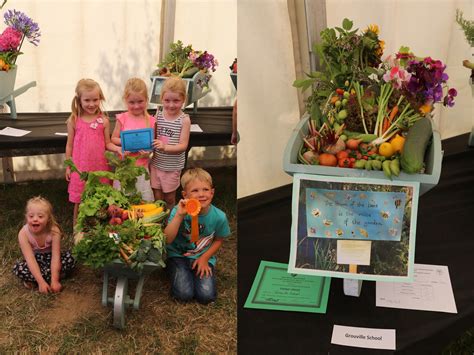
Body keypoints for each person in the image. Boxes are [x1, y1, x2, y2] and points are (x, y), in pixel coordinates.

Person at [164, 168, 230, 304]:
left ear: (212, 193)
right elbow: (167, 239)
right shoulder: (178, 211)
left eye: (205, 190)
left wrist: (205, 258)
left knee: (206, 296)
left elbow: (219, 240)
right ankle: (173, 269)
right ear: (185, 194)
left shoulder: (219, 217)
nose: (201, 194)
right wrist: (179, 216)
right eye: (195, 191)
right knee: (184, 295)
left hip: (202, 255)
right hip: (178, 255)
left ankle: (192, 271)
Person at [65, 78, 118, 226]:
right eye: (87, 100)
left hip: (100, 168)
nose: (91, 104)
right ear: (79, 100)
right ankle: (77, 228)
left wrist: (118, 148)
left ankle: (102, 227)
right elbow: (69, 146)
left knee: (102, 199)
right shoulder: (74, 120)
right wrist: (69, 166)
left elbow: (107, 143)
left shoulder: (104, 121)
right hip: (80, 169)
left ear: (100, 98)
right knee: (80, 201)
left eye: (95, 99)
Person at [12, 197, 76, 293]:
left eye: (40, 216)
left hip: (52, 259)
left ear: (48, 219)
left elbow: (56, 256)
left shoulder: (54, 231)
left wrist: (55, 281)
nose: (35, 219)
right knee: (19, 269)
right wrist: (41, 282)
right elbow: (30, 259)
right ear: (26, 217)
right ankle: (45, 279)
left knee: (72, 257)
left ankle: (49, 277)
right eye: (31, 216)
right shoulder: (23, 234)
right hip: (35, 261)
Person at [111, 78, 155, 201]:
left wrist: (148, 153)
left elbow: (152, 144)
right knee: (123, 198)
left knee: (142, 198)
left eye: (140, 101)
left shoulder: (150, 120)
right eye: (132, 102)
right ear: (125, 101)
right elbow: (113, 138)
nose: (136, 106)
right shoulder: (122, 118)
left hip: (142, 167)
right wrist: (125, 143)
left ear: (146, 100)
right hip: (124, 166)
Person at [150, 76, 191, 209]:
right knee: (157, 195)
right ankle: (159, 220)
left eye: (176, 101)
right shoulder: (158, 116)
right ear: (161, 99)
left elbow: (183, 146)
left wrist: (165, 147)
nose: (171, 105)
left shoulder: (184, 120)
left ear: (183, 99)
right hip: (156, 164)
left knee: (169, 197)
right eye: (167, 100)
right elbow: (153, 137)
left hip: (172, 167)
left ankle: (171, 218)